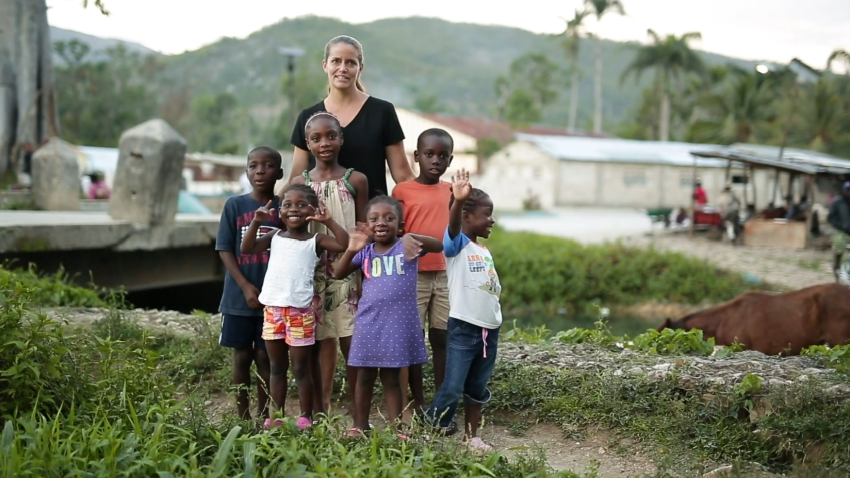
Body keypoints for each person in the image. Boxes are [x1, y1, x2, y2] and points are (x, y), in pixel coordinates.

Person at [241, 184, 350, 429]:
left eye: (302, 205)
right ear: (279, 211)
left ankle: (305, 416)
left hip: (300, 312)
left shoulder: (316, 239)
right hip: (273, 311)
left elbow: (344, 244)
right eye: (288, 205)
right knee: (277, 367)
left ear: (313, 210)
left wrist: (329, 220)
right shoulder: (274, 236)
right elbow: (246, 249)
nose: (294, 210)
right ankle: (275, 416)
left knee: (301, 368)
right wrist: (256, 223)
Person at [333, 196, 443, 439]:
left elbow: (438, 245)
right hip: (369, 322)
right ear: (367, 224)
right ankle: (360, 425)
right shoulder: (366, 252)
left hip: (398, 324)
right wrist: (352, 247)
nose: (381, 223)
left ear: (400, 224)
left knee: (392, 377)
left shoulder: (406, 247)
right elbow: (338, 273)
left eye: (389, 218)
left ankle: (398, 429)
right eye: (374, 219)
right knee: (365, 376)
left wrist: (413, 237)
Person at [289, 111, 369, 414]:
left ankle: (357, 414)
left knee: (351, 341)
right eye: (316, 138)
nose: (325, 143)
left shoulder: (355, 180)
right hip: (309, 273)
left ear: (342, 139)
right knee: (316, 341)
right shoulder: (300, 182)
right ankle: (318, 410)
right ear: (307, 144)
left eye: (331, 136)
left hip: (347, 270)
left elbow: (364, 229)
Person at [425, 168, 502, 454]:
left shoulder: (483, 251)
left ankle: (472, 437)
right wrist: (457, 201)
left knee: (477, 387)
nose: (492, 219)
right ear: (468, 216)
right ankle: (429, 428)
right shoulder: (457, 247)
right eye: (487, 214)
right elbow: (452, 231)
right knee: (453, 386)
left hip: (488, 330)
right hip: (463, 327)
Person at [285, 35, 414, 200]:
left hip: (370, 221)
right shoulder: (307, 117)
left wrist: (436, 199)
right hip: (319, 220)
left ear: (360, 67)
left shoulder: (382, 112)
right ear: (325, 65)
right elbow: (296, 181)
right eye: (336, 61)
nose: (343, 68)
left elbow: (403, 176)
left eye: (351, 62)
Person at [214, 146, 283, 422]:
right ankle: (243, 419)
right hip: (238, 299)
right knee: (241, 359)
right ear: (246, 171)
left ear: (279, 172)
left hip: (273, 299)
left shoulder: (284, 207)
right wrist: (244, 286)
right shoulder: (235, 205)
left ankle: (264, 416)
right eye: (253, 166)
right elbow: (224, 249)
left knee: (266, 359)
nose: (260, 171)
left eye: (267, 166)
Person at [391, 128, 454, 422]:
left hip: (445, 275)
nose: (435, 161)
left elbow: (458, 230)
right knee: (413, 340)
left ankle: (441, 406)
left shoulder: (451, 191)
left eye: (442, 156)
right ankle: (416, 403)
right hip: (412, 276)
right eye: (429, 154)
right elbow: (397, 232)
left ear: (450, 160)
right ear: (417, 156)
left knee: (442, 338)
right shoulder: (402, 191)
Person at [827, 182, 850, 282]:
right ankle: (837, 280)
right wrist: (841, 225)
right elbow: (830, 218)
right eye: (848, 190)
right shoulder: (838, 202)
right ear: (844, 191)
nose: (849, 192)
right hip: (841, 233)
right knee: (838, 257)